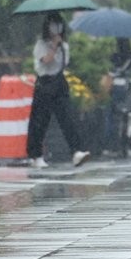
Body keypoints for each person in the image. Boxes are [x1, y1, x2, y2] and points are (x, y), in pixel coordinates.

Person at [26, 12, 90, 169]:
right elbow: (46, 61)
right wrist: (53, 47)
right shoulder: (40, 44)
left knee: (67, 118)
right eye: (53, 25)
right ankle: (35, 155)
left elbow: (64, 63)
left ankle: (76, 151)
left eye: (59, 25)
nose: (56, 28)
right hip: (44, 83)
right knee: (40, 121)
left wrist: (60, 47)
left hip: (59, 82)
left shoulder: (65, 46)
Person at [104, 38, 131, 154]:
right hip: (125, 87)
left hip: (113, 87)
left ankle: (110, 144)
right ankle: (124, 141)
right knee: (126, 113)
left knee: (111, 115)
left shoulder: (113, 56)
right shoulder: (130, 57)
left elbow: (110, 69)